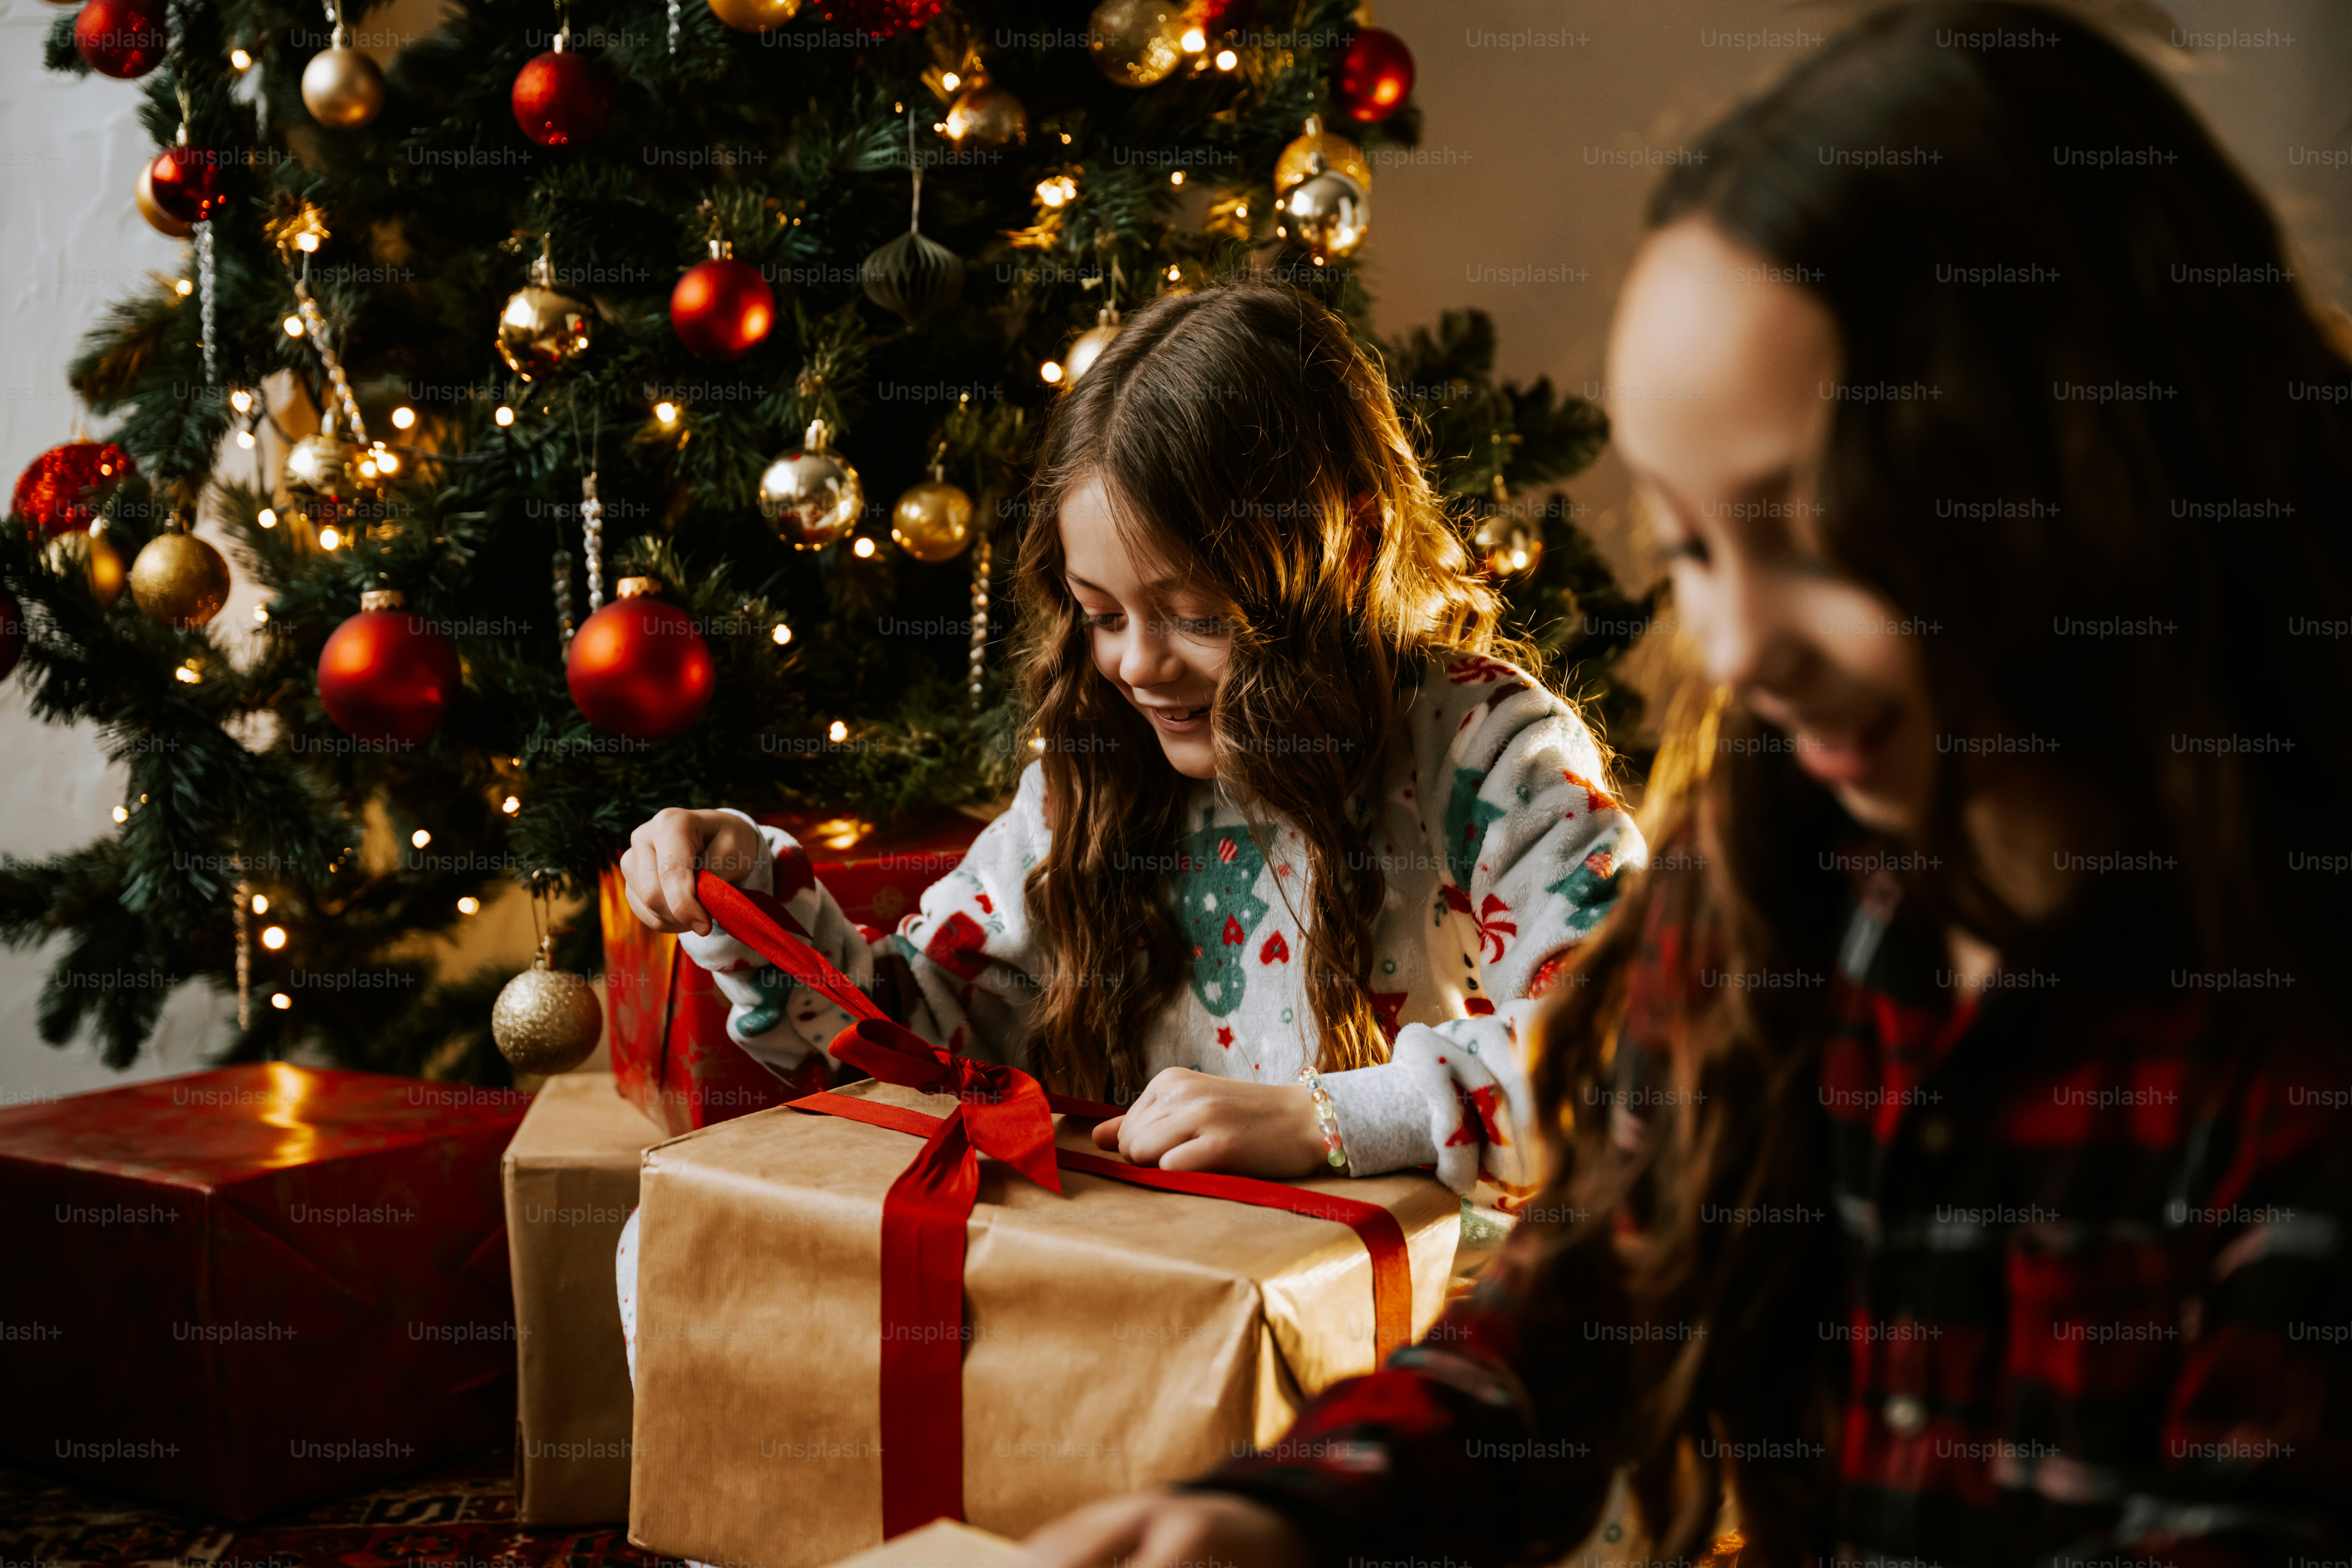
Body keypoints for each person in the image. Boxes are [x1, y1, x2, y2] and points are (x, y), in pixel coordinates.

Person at [1019, 4, 2352, 1565]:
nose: (1735, 648)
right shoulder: (1786, 867)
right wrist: (1277, 1517)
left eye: (1810, 533)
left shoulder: (2284, 1025)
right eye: (1696, 545)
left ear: (2089, 479)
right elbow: (1586, 1312)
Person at [620, 278, 1641, 1196]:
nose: (1138, 666)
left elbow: (1640, 1041)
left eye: (1193, 612)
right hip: (1164, 1318)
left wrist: (1328, 1118)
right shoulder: (1088, 784)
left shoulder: (1488, 755)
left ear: (1346, 549)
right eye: (1103, 615)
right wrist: (745, 885)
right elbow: (907, 1035)